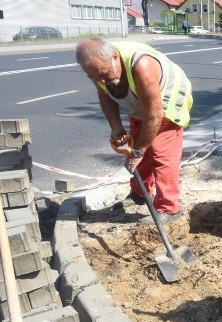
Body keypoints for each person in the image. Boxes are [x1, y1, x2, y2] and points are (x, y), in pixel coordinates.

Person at [75, 37, 193, 224]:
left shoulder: (142, 65)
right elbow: (105, 95)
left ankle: (168, 208)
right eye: (95, 77)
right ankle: (140, 194)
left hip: (166, 101)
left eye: (104, 74)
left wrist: (138, 152)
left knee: (161, 153)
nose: (101, 80)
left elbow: (155, 116)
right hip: (140, 102)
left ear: (115, 56)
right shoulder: (99, 68)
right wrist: (116, 127)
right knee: (138, 142)